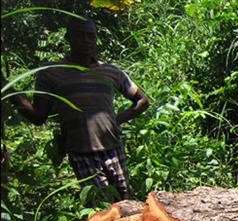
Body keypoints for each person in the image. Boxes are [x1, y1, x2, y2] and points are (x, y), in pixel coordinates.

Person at [4, 16, 148, 201]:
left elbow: (142, 100)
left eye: (91, 36)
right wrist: (8, 88)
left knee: (126, 203)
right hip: (81, 152)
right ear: (68, 37)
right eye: (80, 35)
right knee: (101, 208)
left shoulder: (111, 71)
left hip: (113, 148)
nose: (86, 40)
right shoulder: (52, 72)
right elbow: (38, 116)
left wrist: (116, 120)